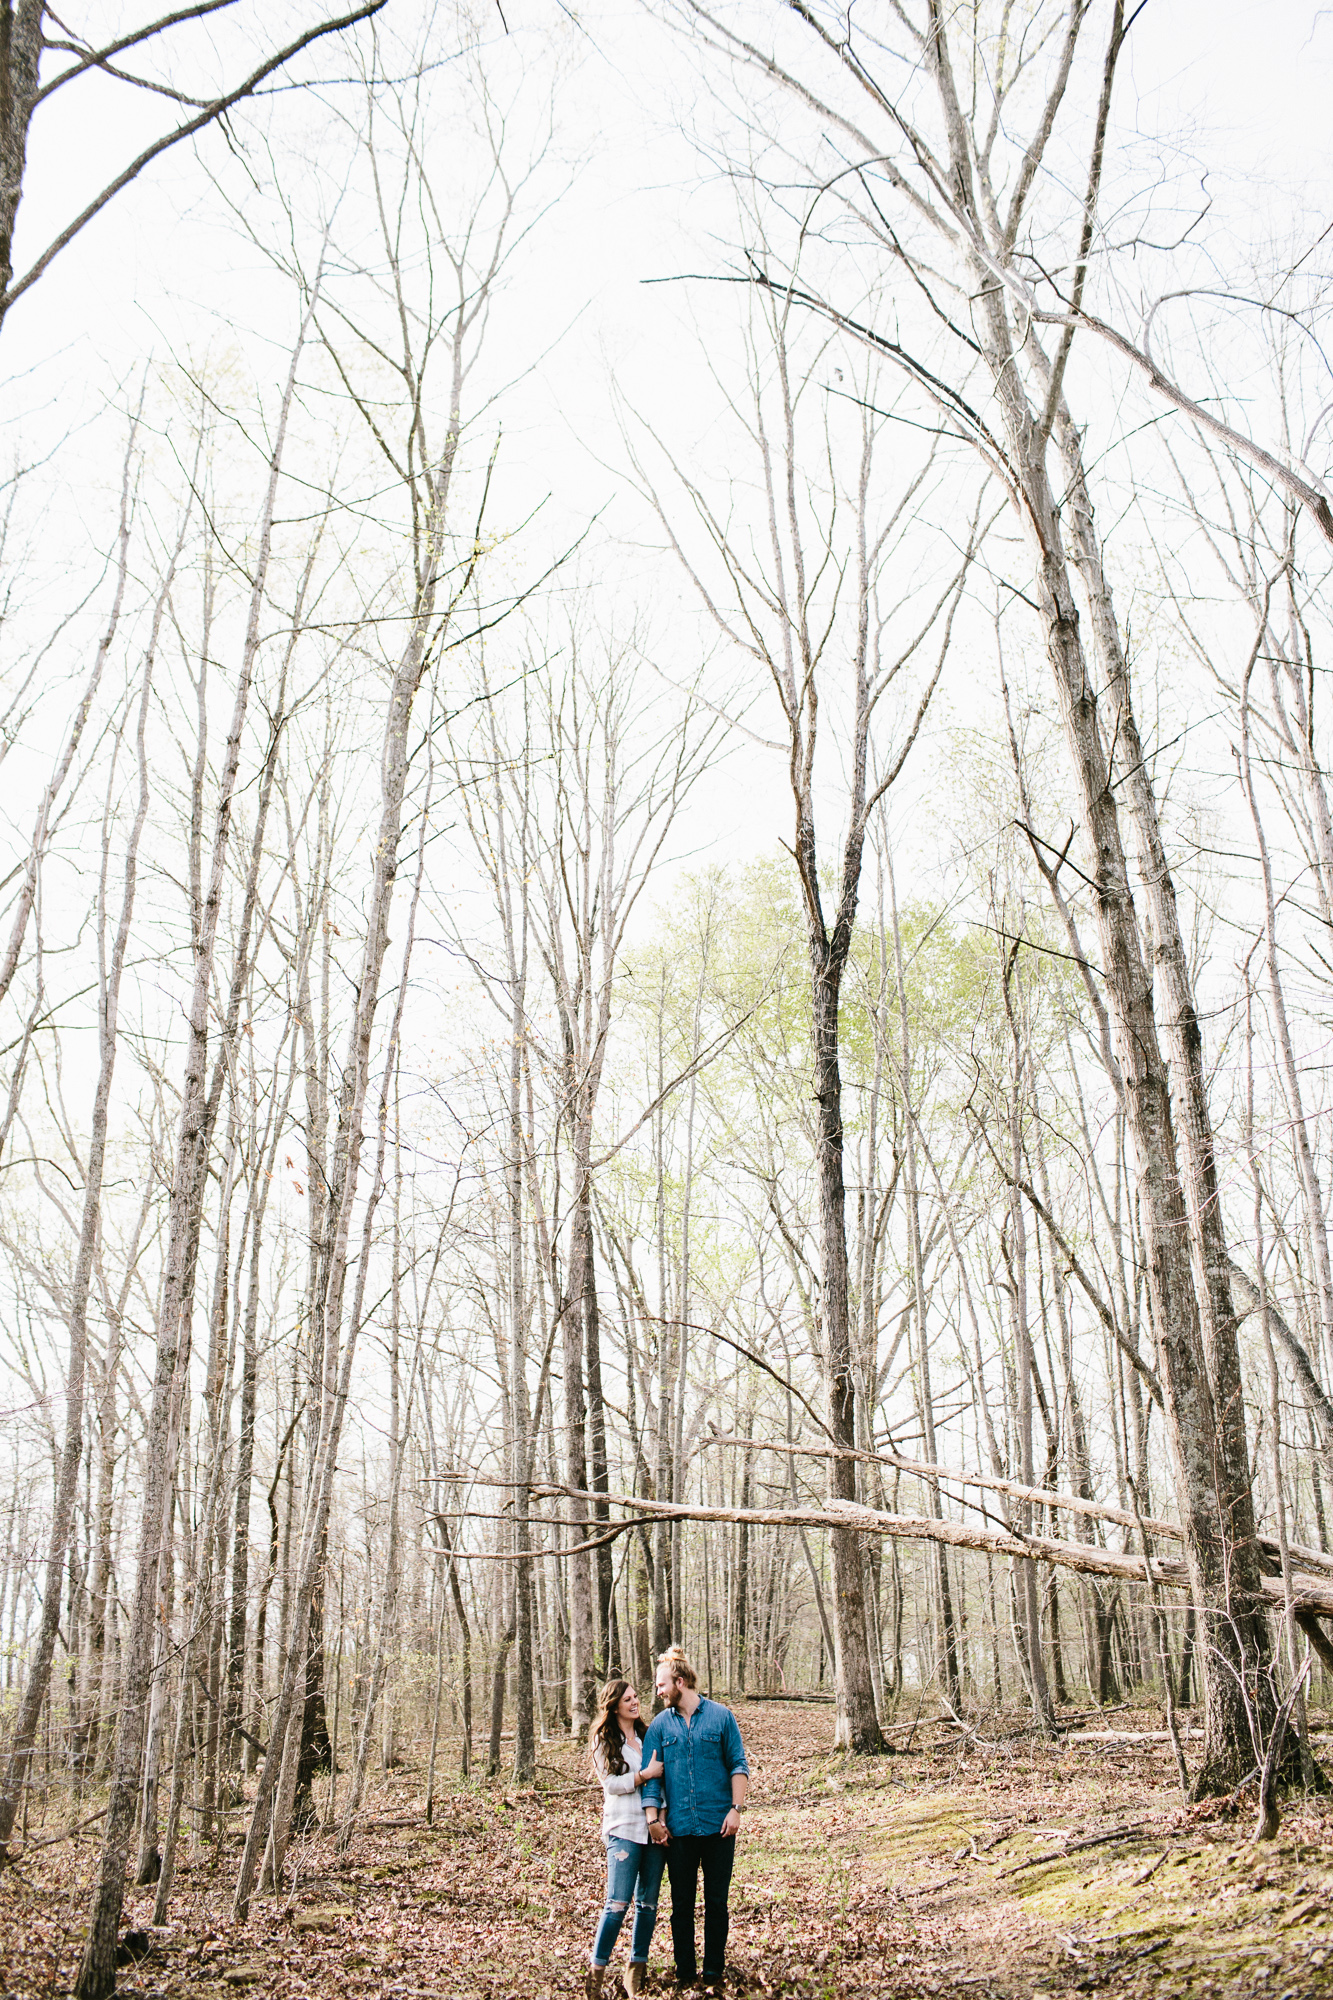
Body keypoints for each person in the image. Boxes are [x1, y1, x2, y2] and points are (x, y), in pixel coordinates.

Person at [640, 1647, 750, 1991]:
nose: (658, 1692)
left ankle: (714, 1971)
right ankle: (685, 1972)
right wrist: (653, 1819)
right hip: (680, 1830)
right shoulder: (659, 1726)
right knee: (682, 1904)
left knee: (717, 1902)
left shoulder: (721, 1717)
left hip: (719, 1826)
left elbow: (738, 1765)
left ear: (680, 1681)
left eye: (661, 1685)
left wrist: (736, 1809)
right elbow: (651, 1778)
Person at [587, 1677, 667, 1999]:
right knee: (618, 1903)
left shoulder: (649, 1736)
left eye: (636, 1697)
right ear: (614, 1705)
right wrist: (644, 1775)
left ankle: (636, 1971)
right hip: (623, 1830)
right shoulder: (603, 1739)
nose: (635, 1703)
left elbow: (665, 1782)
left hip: (654, 1830)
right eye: (628, 1699)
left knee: (647, 1904)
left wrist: (660, 1819)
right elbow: (611, 1784)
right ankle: (596, 1972)